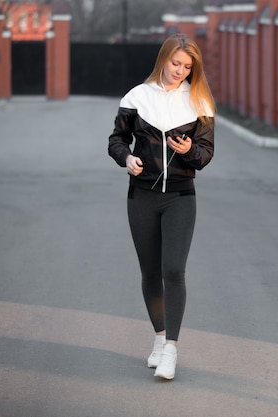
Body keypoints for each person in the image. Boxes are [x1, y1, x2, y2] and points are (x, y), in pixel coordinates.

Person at [108, 33, 215, 380]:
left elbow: (205, 155)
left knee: (173, 271)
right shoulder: (136, 97)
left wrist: (188, 152)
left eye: (187, 67)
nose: (180, 71)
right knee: (150, 272)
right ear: (164, 59)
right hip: (141, 196)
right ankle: (158, 337)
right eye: (176, 63)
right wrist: (127, 159)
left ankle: (171, 349)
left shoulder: (199, 101)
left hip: (181, 197)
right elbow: (116, 140)